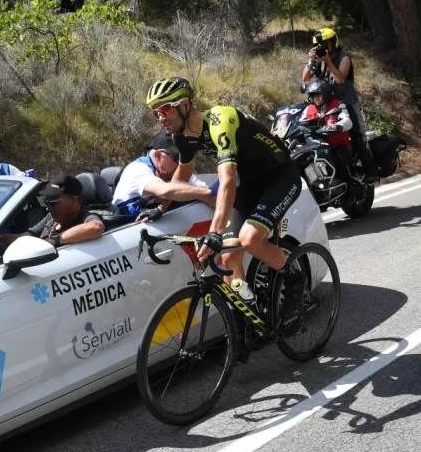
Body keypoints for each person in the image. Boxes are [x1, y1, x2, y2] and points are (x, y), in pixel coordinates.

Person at [146, 76, 305, 334]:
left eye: (165, 109)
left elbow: (228, 179)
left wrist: (215, 231)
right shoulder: (181, 137)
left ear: (185, 105)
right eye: (156, 112)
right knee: (229, 256)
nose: (160, 117)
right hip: (252, 183)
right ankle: (250, 317)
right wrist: (161, 207)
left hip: (280, 177)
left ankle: (295, 280)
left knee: (251, 239)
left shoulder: (221, 120)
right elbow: (182, 173)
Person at [301, 27, 377, 184]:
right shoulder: (317, 61)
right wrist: (312, 61)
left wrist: (328, 61)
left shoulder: (344, 57)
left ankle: (371, 172)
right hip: (327, 105)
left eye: (325, 43)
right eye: (318, 45)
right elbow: (305, 78)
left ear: (334, 43)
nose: (322, 47)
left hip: (347, 103)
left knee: (357, 136)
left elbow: (339, 79)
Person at [112, 129, 217, 223]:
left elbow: (213, 199)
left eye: (184, 157)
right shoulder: (137, 169)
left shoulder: (174, 171)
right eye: (177, 157)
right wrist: (203, 193)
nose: (181, 162)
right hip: (124, 228)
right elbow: (165, 191)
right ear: (158, 155)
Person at [0, 174, 105, 247]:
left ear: (74, 201)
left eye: (53, 203)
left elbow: (96, 227)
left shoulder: (85, 217)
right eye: (46, 202)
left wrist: (54, 241)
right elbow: (24, 237)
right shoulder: (51, 218)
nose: (48, 208)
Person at [299, 78, 354, 185]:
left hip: (339, 146)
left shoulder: (338, 105)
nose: (315, 98)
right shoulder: (308, 109)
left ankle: (350, 191)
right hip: (317, 147)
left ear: (326, 94)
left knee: (338, 160)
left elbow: (347, 121)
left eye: (318, 95)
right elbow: (300, 123)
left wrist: (338, 126)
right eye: (312, 95)